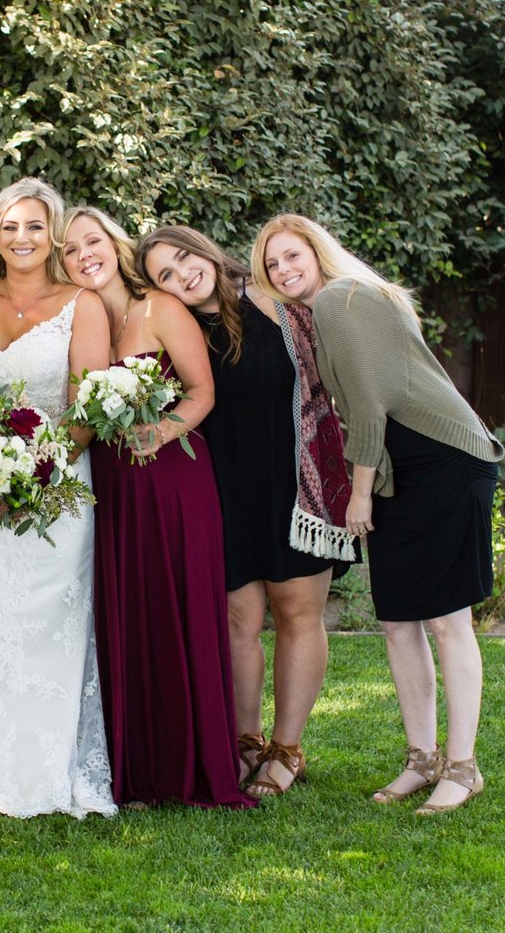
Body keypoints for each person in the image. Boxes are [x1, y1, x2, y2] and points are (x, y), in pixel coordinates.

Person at [254, 213, 503, 814]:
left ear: (317, 252)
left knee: (447, 621)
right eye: (272, 265)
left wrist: (358, 493)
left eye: (292, 256)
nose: (284, 271)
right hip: (400, 466)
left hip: (440, 460)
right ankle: (422, 760)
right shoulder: (327, 308)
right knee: (399, 622)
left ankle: (463, 767)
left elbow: (369, 405)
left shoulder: (343, 297)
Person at [141, 224, 354, 797]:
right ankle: (245, 741)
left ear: (203, 248)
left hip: (295, 483)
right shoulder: (176, 329)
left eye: (185, 257)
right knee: (239, 619)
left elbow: (336, 383)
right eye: (166, 274)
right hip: (223, 490)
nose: (183, 273)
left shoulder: (273, 299)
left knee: (295, 613)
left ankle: (288, 748)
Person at [0, 178, 116, 820]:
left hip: (56, 490)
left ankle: (43, 775)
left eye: (34, 226)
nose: (22, 238)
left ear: (52, 234)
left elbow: (87, 405)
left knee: (47, 631)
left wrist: (33, 472)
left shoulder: (82, 304)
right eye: (9, 226)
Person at [61, 207, 253, 810]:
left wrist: (162, 432)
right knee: (130, 614)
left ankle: (194, 765)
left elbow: (203, 391)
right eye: (69, 250)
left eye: (92, 240)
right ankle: (138, 771)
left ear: (113, 243)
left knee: (180, 612)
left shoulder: (158, 308)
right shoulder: (79, 320)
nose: (83, 255)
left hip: (171, 480)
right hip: (113, 488)